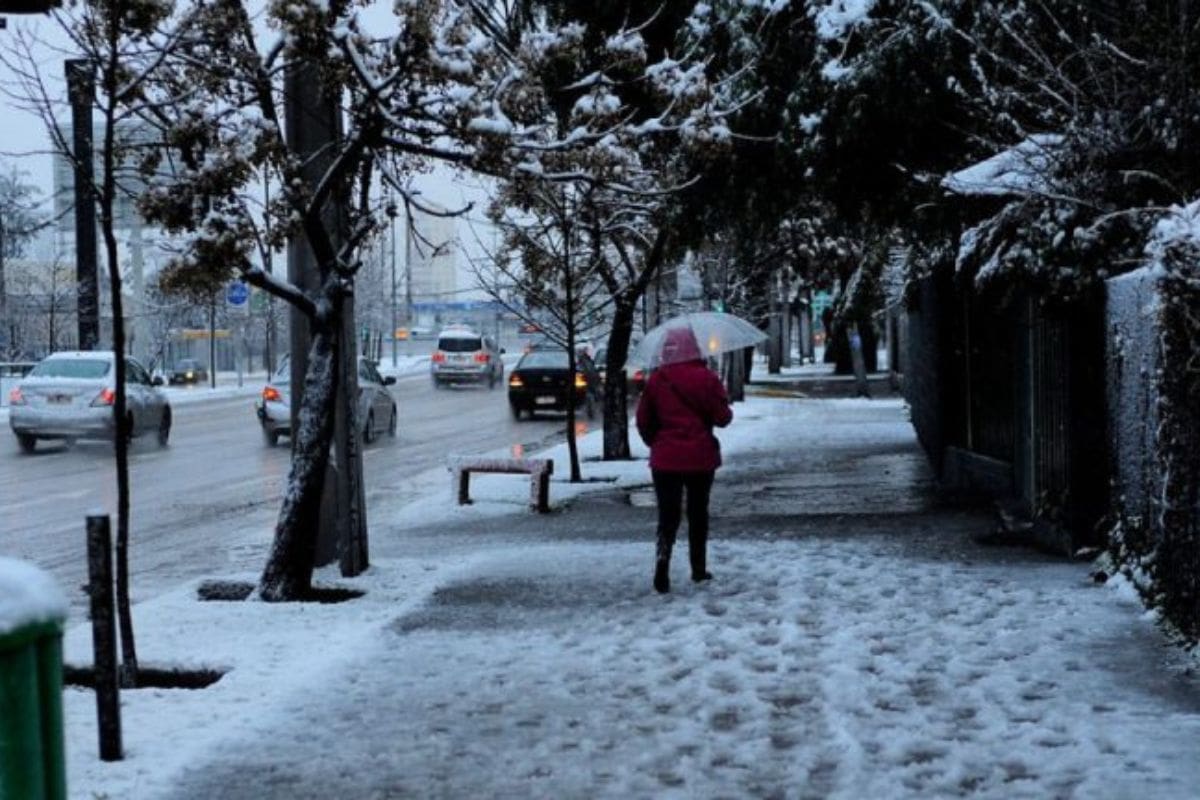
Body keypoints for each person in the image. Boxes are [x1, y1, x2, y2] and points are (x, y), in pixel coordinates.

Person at [635, 326, 734, 594]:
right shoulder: (707, 378)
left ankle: (662, 565)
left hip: (665, 460)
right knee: (698, 513)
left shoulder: (657, 380)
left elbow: (643, 420)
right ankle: (698, 569)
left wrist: (657, 443)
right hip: (700, 459)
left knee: (667, 515)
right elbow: (723, 419)